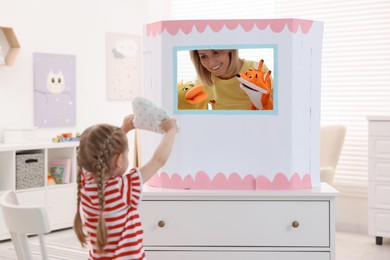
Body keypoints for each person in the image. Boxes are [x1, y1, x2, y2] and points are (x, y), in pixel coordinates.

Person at [73, 114, 177, 259]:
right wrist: (171, 130)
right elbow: (158, 160)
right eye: (126, 154)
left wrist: (122, 130)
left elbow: (100, 153)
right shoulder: (124, 189)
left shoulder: (84, 184)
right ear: (119, 159)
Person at [189, 49, 272, 110]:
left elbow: (275, 111)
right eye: (203, 56)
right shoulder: (201, 82)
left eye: (216, 52)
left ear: (230, 50)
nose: (211, 63)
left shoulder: (258, 71)